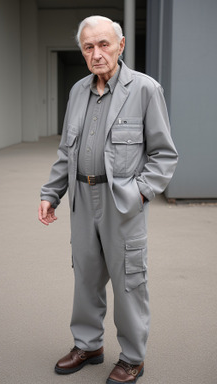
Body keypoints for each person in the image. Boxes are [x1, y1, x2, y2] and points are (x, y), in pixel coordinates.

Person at [38, 15, 178, 384]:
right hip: (82, 198)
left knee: (129, 280)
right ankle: (89, 345)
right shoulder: (77, 91)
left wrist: (139, 194)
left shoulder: (146, 89)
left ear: (121, 45)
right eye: (88, 47)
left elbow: (164, 155)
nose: (96, 53)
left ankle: (132, 357)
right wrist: (52, 193)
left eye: (103, 44)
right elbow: (66, 149)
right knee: (85, 276)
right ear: (82, 51)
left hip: (122, 200)